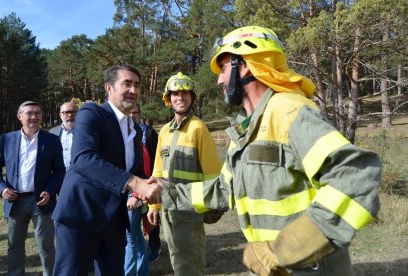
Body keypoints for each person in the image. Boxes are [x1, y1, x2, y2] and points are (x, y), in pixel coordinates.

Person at [160, 26, 381, 275]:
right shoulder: (245, 128)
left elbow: (355, 178)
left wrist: (284, 250)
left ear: (245, 65)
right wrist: (164, 192)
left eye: (223, 69)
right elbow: (224, 189)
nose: (220, 80)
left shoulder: (289, 111)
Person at [52, 65, 163, 276]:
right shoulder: (91, 113)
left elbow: (136, 170)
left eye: (137, 85)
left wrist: (151, 183)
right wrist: (134, 182)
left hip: (114, 220)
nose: (133, 90)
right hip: (80, 216)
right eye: (127, 84)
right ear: (109, 88)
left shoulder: (136, 129)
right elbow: (83, 159)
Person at [148, 72, 222, 275]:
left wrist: (213, 209)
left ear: (192, 97)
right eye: (175, 94)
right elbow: (157, 170)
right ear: (168, 99)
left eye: (185, 93)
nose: (180, 98)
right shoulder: (164, 131)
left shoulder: (198, 128)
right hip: (168, 210)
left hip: (190, 211)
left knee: (189, 264)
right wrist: (154, 205)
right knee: (176, 260)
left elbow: (212, 173)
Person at [0, 101, 66, 276]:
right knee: (14, 244)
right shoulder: (7, 139)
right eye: (29, 113)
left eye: (37, 113)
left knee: (46, 245)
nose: (34, 117)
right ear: (20, 117)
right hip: (15, 200)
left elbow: (59, 170)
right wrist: (2, 189)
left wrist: (50, 190)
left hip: (41, 201)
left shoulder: (52, 140)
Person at [131, 104, 162, 262]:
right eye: (129, 113)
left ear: (140, 114)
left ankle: (155, 245)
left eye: (135, 113)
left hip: (149, 180)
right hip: (132, 183)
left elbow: (157, 157)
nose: (132, 115)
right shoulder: (125, 132)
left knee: (152, 215)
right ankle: (137, 249)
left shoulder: (149, 133)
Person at [49, 101, 79, 171]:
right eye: (66, 112)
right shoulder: (52, 132)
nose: (70, 115)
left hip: (79, 176)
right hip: (59, 176)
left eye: (73, 112)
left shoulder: (86, 131)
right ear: (60, 115)